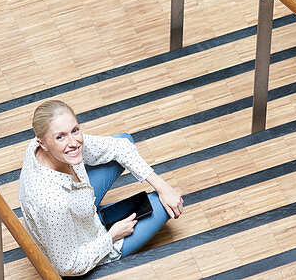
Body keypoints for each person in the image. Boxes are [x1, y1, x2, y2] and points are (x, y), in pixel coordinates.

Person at [18, 100, 182, 276]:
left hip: (79, 208)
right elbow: (67, 266)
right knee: (162, 206)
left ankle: (100, 214)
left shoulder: (42, 145)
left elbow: (121, 146)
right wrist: (111, 236)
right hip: (83, 244)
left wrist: (162, 186)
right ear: (43, 143)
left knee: (123, 140)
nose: (73, 143)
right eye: (60, 137)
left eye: (75, 130)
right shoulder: (53, 204)